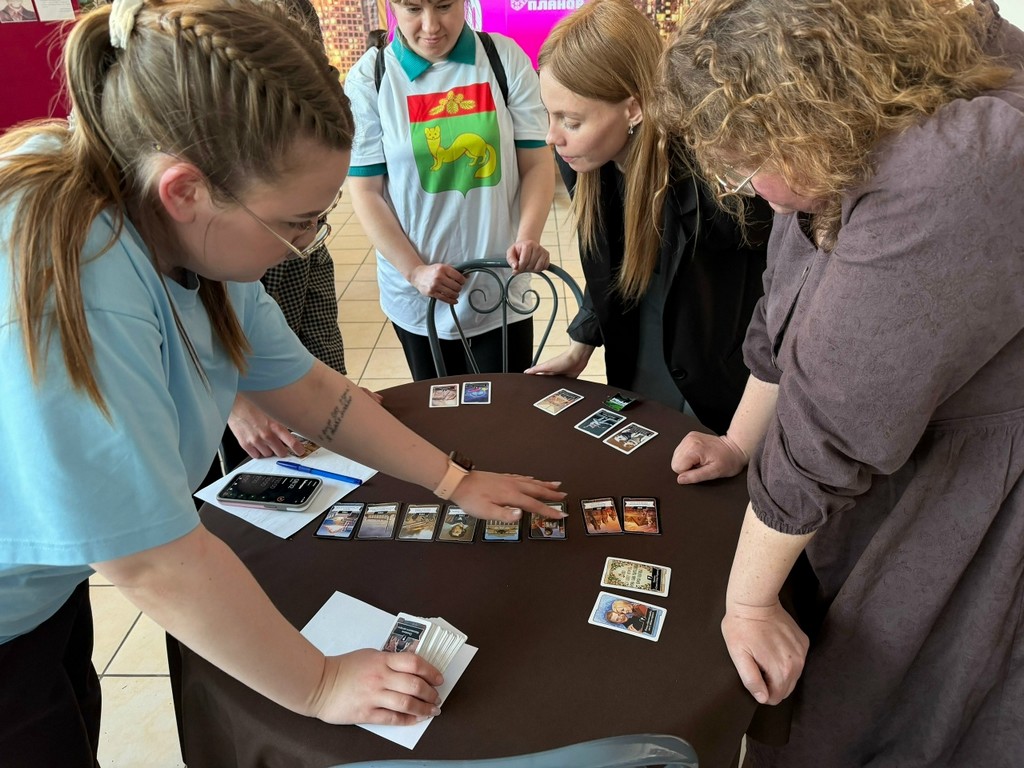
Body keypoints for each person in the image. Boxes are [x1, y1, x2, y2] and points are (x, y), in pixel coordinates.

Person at [0, 0, 566, 764]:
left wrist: (452, 480)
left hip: (38, 590)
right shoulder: (72, 280)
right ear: (185, 191)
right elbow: (152, 561)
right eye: (296, 222)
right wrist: (319, 683)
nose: (306, 246)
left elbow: (312, 392)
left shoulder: (175, 226)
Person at [660, 0, 1024, 764]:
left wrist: (746, 601)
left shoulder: (952, 167)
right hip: (891, 465)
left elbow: (840, 409)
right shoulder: (845, 127)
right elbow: (790, 316)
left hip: (967, 496)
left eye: (746, 163)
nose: (748, 187)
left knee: (894, 709)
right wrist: (739, 443)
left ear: (802, 118)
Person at [526, 0, 771, 436]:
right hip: (638, 349)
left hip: (718, 374)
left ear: (634, 108)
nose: (552, 136)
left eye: (571, 120)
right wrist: (582, 343)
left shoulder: (715, 176)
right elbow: (611, 266)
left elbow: (775, 286)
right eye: (549, 113)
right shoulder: (582, 158)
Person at [344, 0, 554, 381]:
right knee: (438, 411)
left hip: (501, 288)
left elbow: (536, 164)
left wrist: (528, 237)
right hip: (417, 298)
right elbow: (365, 191)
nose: (431, 26)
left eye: (444, 6)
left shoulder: (503, 59)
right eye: (413, 9)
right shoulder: (370, 78)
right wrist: (414, 271)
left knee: (506, 409)